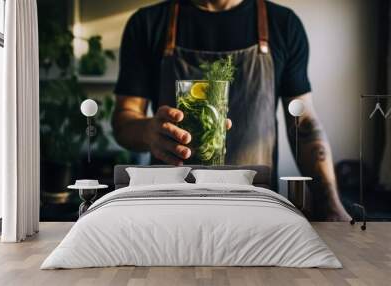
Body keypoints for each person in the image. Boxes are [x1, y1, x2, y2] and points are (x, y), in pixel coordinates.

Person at [112, 0, 351, 221]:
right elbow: (124, 120)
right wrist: (148, 132)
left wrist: (330, 206)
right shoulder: (147, 24)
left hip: (258, 210)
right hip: (170, 210)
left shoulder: (283, 24)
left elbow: (303, 123)